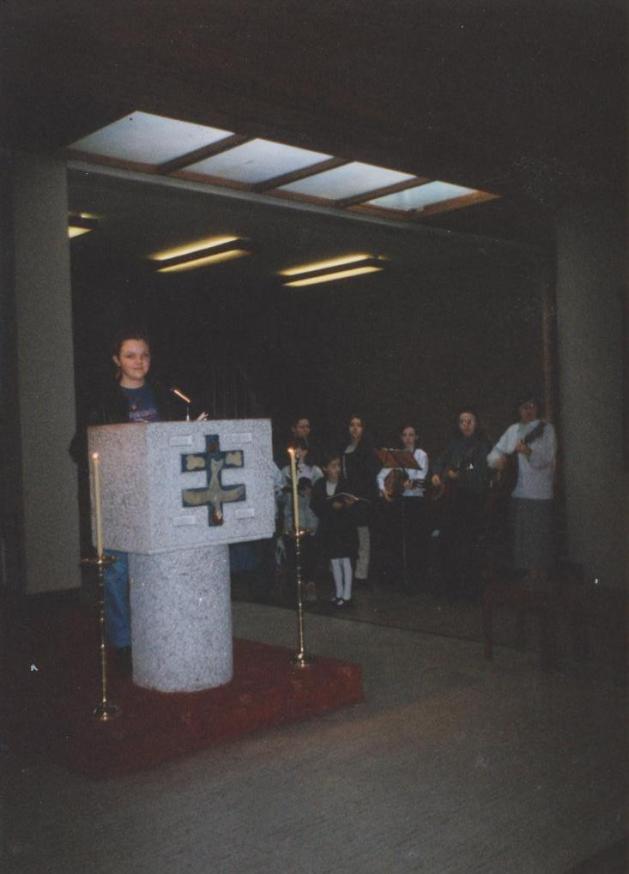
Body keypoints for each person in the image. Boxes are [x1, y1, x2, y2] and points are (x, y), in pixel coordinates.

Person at [70, 328, 193, 671]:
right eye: (130, 355)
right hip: (119, 499)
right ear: (117, 360)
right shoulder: (103, 400)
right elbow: (79, 448)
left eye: (144, 355)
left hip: (160, 496)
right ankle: (123, 644)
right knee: (117, 574)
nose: (139, 362)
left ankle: (160, 637)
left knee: (160, 571)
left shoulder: (166, 397)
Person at [487, 393, 557, 587]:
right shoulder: (513, 430)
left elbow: (547, 459)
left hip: (540, 492)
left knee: (539, 536)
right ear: (518, 410)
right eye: (524, 407)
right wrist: (498, 461)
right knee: (524, 537)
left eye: (531, 406)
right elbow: (494, 453)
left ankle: (540, 578)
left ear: (537, 408)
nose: (528, 410)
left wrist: (528, 452)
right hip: (518, 490)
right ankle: (530, 578)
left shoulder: (546, 429)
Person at [431, 409, 492, 601]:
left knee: (468, 546)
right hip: (453, 501)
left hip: (472, 501)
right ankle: (452, 589)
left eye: (469, 421)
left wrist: (460, 475)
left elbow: (480, 472)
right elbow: (441, 460)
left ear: (476, 423)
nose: (465, 425)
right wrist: (437, 473)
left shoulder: (482, 445)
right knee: (450, 543)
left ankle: (470, 591)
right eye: (462, 421)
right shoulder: (454, 443)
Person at [376, 423, 429, 591]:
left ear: (416, 437)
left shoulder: (421, 454)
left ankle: (416, 580)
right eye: (405, 435)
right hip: (401, 501)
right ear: (401, 437)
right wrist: (384, 490)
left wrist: (409, 483)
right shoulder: (397, 456)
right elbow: (380, 477)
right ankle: (402, 580)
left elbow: (421, 479)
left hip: (416, 502)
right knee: (400, 541)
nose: (408, 438)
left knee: (415, 541)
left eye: (411, 435)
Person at [311, 450, 358, 607]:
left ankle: (347, 594)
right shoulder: (320, 484)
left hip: (344, 529)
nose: (337, 469)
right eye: (333, 466)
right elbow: (315, 505)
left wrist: (346, 505)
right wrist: (330, 506)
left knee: (345, 559)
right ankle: (338, 592)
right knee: (334, 561)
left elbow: (353, 504)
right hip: (329, 528)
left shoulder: (346, 483)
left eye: (338, 466)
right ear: (325, 468)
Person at [279, 440, 322, 601]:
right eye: (295, 450)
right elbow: (279, 494)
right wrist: (288, 491)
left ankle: (310, 584)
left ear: (306, 451)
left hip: (309, 518)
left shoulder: (314, 470)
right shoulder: (286, 471)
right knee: (293, 554)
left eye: (301, 450)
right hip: (292, 517)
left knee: (310, 553)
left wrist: (311, 491)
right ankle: (296, 587)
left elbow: (321, 492)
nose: (298, 453)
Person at [341, 415, 379, 584]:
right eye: (352, 425)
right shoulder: (344, 448)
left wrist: (356, 496)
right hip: (348, 499)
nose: (355, 428)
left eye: (359, 425)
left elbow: (369, 476)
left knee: (363, 539)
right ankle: (348, 574)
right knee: (350, 539)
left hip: (363, 499)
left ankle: (361, 575)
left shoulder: (368, 449)